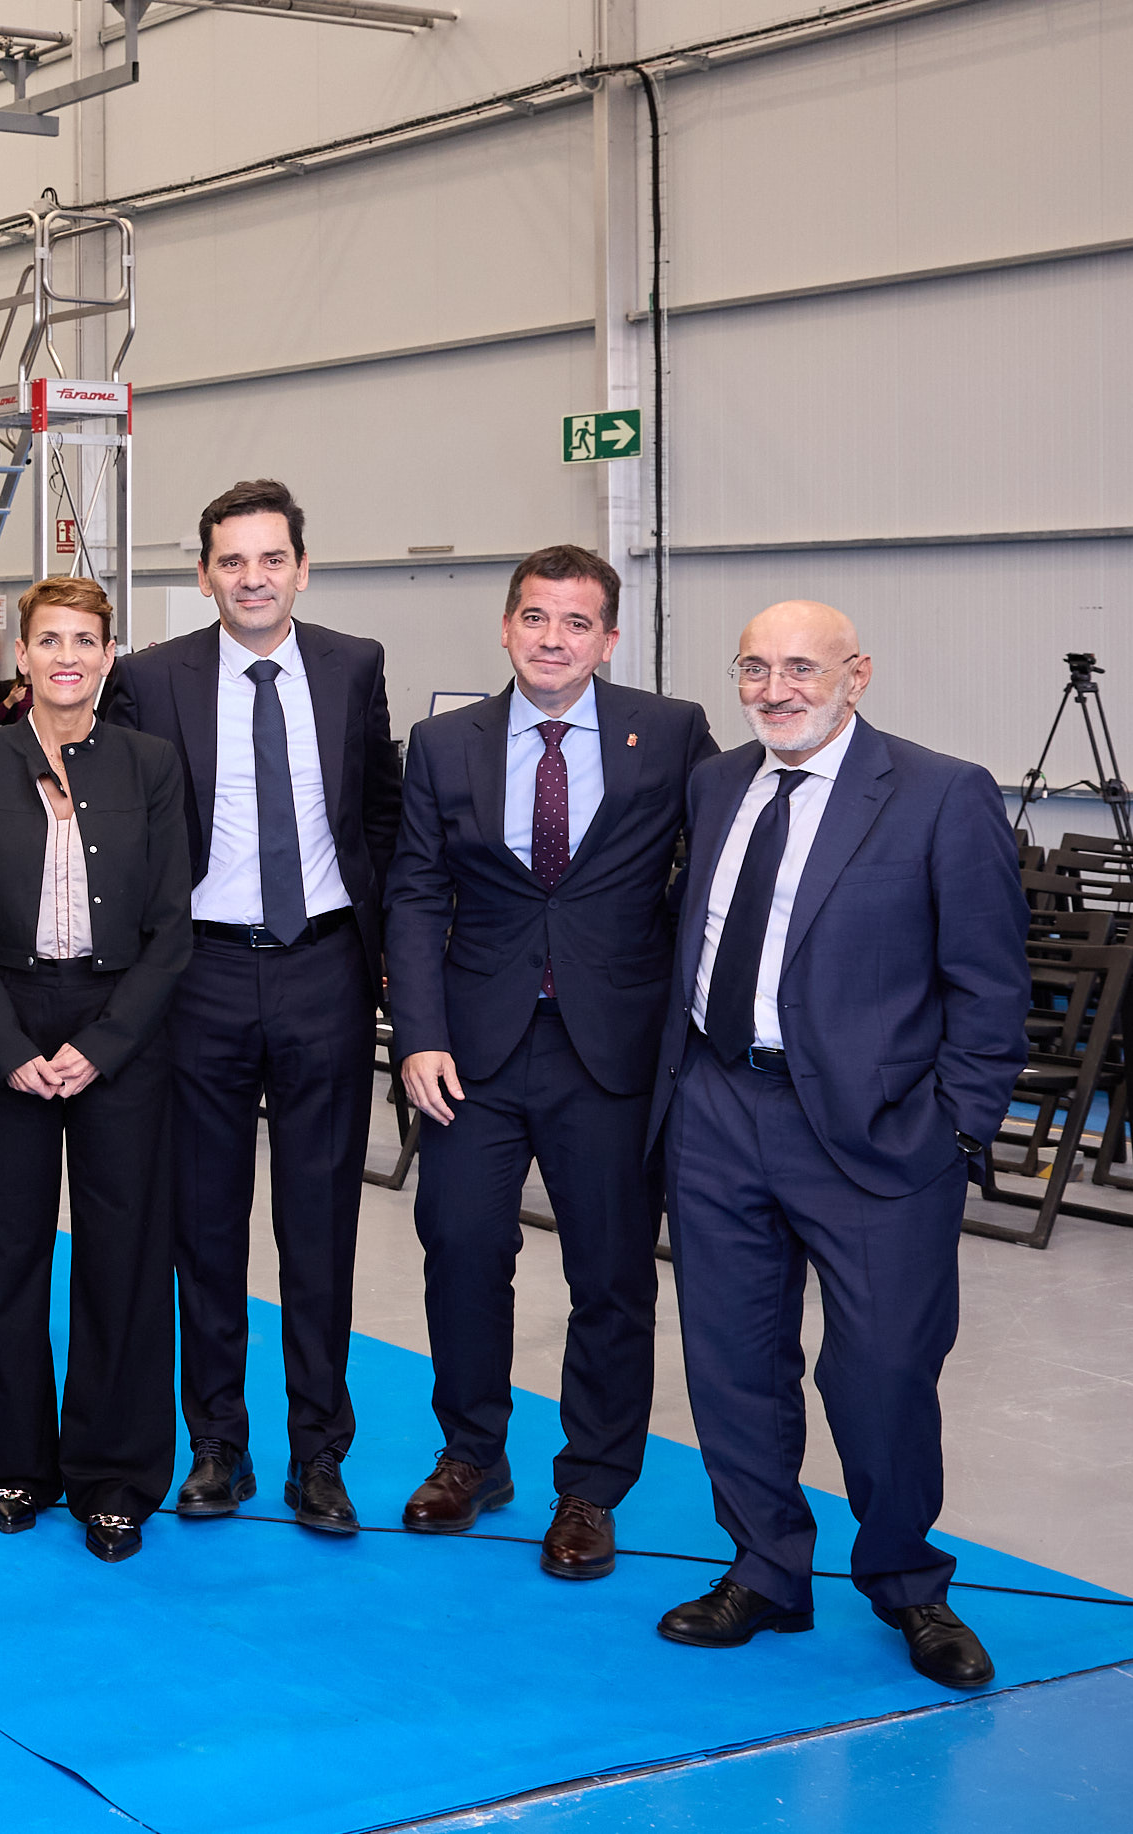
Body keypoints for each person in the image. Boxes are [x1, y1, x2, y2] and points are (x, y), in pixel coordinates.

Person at [651, 601, 1025, 1689]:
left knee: (884, 1371)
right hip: (719, 1108)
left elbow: (990, 985)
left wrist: (955, 1127)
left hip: (879, 1134)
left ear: (856, 675)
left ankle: (908, 1581)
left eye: (800, 668)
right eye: (753, 668)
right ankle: (765, 1568)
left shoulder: (941, 793)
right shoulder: (716, 783)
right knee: (731, 1361)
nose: (775, 690)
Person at [383, 547, 715, 1578]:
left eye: (576, 622)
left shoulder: (671, 732)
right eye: (535, 617)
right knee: (460, 1248)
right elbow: (414, 892)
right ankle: (472, 1456)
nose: (552, 639)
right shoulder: (443, 744)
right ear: (505, 626)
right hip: (472, 1050)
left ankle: (591, 1487)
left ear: (607, 639)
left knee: (609, 1273)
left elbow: (712, 868)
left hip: (611, 1049)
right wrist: (418, 1034)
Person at [101, 478, 400, 1536]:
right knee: (205, 1226)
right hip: (203, 978)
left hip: (323, 971)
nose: (253, 578)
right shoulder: (152, 679)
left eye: (272, 558)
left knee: (320, 1227)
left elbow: (378, 816)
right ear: (204, 576)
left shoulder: (354, 665)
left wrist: (381, 961)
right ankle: (217, 1446)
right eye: (232, 561)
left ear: (301, 569)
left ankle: (319, 1453)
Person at [0, 577, 195, 1560]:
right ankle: (12, 1461)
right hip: (8, 1015)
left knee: (123, 1254)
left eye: (85, 640)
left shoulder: (149, 764)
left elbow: (172, 926)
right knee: (8, 1252)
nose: (67, 657)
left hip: (118, 1022)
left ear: (108, 655)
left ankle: (115, 1475)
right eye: (49, 640)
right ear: (22, 654)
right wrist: (8, 1048)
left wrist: (105, 1043)